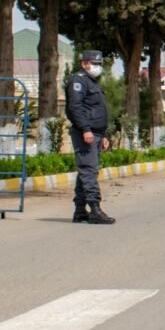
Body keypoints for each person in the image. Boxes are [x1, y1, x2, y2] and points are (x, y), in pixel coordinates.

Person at [64, 50, 115, 225]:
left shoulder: (91, 82)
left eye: (99, 64)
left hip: (97, 133)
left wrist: (104, 134)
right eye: (94, 63)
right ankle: (95, 210)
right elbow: (75, 107)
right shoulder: (77, 80)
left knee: (86, 172)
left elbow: (98, 110)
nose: (97, 67)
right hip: (85, 133)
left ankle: (79, 211)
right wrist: (86, 129)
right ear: (84, 63)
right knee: (89, 170)